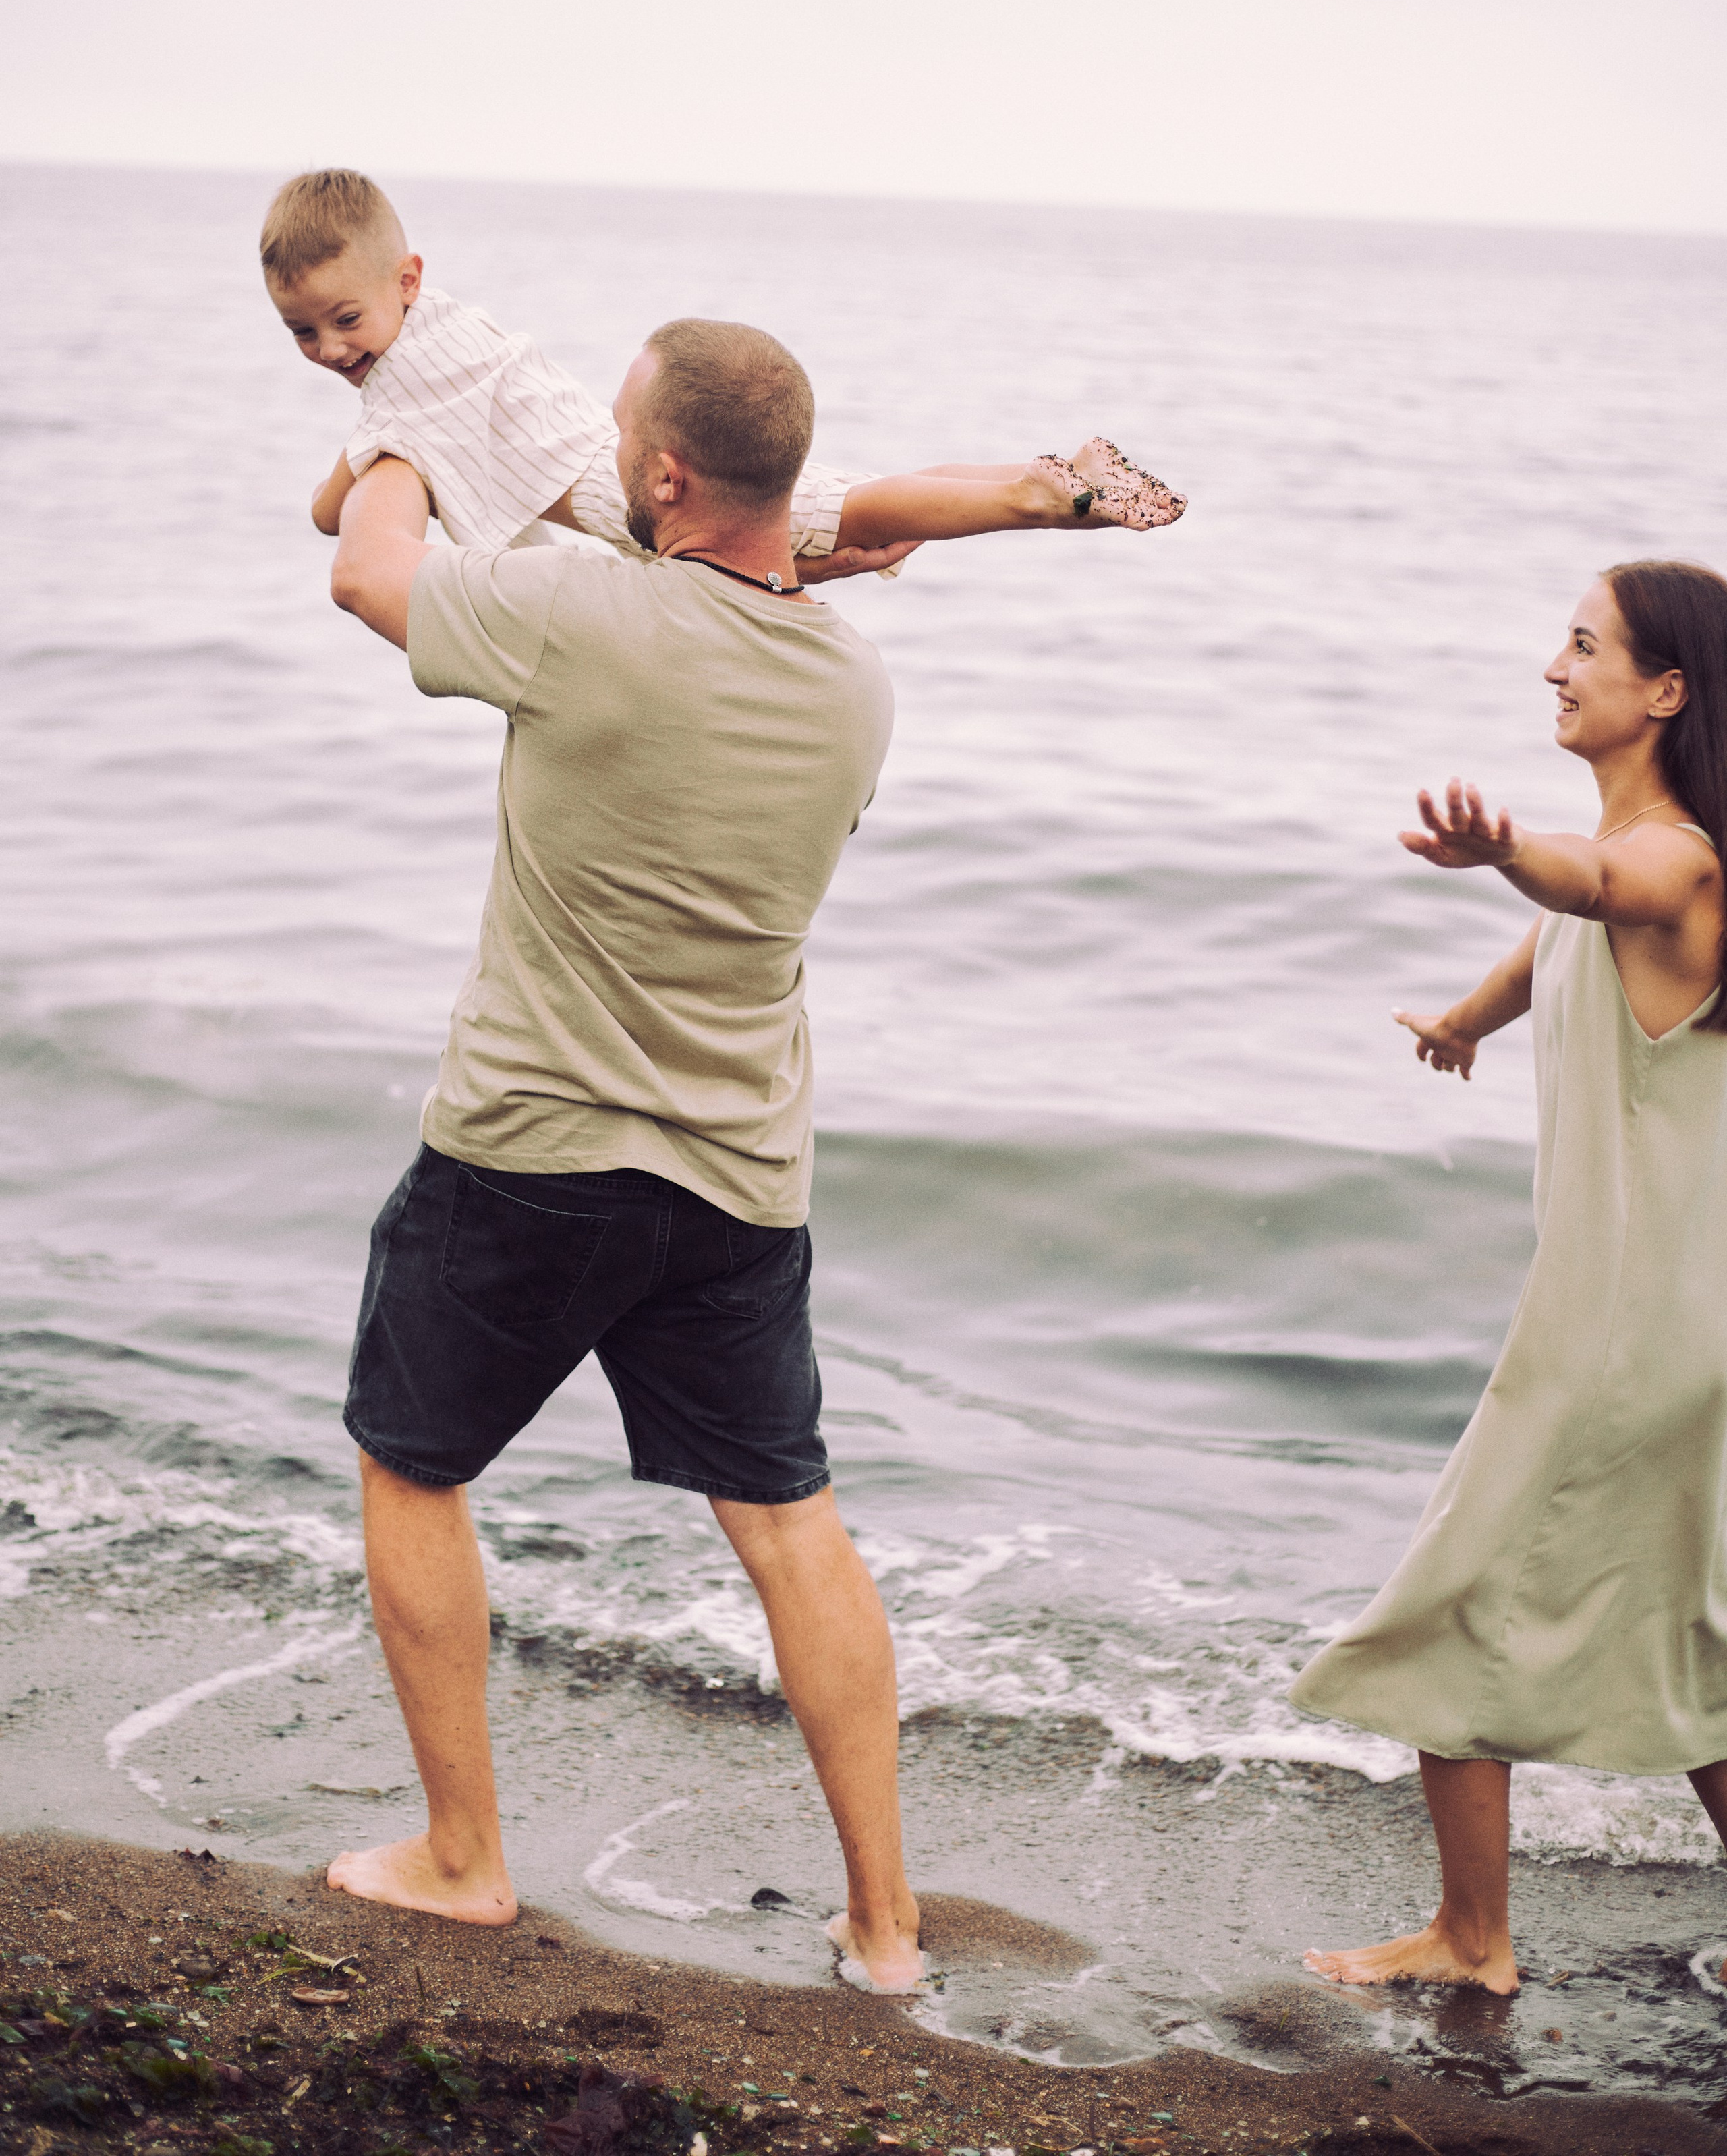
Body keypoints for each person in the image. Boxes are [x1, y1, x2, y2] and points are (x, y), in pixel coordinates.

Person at [322, 315, 926, 1989]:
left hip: (531, 1146)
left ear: (660, 470)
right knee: (789, 1520)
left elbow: (373, 579)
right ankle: (883, 1925)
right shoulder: (854, 680)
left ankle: (461, 1859)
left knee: (410, 1463)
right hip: (738, 1172)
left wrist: (405, 428)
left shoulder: (586, 614)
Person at [1294, 559, 1727, 1996]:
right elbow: (1554, 935)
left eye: (1583, 645)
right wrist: (1461, 1022)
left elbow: (1587, 883)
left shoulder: (1674, 863)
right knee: (1687, 1652)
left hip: (1613, 1344)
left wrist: (1502, 847)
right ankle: (1470, 1930)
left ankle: (1473, 1940)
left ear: (1662, 690)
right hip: (1673, 1328)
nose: (1555, 664)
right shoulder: (1648, 871)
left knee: (1457, 1604)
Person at [259, 168, 1185, 570]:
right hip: (624, 478)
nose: (335, 350)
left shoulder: (406, 378)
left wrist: (368, 464)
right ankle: (1052, 466)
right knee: (852, 498)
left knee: (844, 511)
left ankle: (1036, 497)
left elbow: (326, 513)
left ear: (407, 280)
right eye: (303, 334)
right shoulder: (446, 324)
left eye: (346, 321)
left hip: (632, 493)